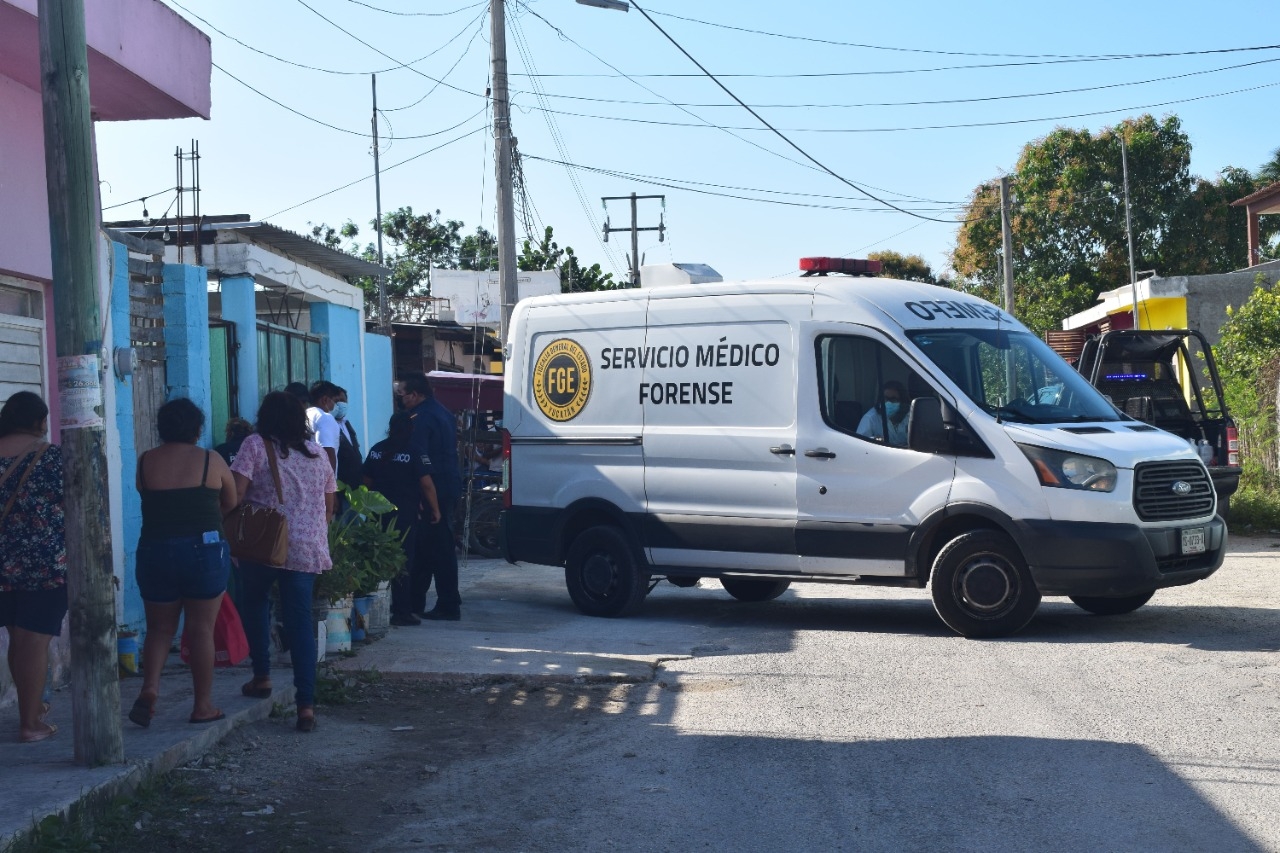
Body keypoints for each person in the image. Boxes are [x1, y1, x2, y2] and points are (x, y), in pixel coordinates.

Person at [231, 392, 337, 733]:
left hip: (264, 546)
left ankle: (261, 676)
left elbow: (235, 494)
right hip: (306, 549)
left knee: (256, 603)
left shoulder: (254, 445)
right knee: (299, 622)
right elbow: (330, 506)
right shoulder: (318, 453)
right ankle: (305, 706)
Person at [129, 398, 238, 728]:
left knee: (159, 629)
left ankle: (149, 690)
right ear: (197, 428)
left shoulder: (146, 461)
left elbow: (143, 493)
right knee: (200, 629)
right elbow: (230, 502)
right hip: (203, 551)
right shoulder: (211, 460)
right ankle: (202, 705)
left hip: (155, 550)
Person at [0, 392, 64, 744]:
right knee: (34, 641)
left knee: (17, 636)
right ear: (40, 421)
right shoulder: (53, 457)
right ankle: (29, 723)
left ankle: (33, 707)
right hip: (45, 564)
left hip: (3, 565)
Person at [363, 412, 442, 627]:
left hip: (378, 515)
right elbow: (427, 484)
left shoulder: (377, 449)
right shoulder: (414, 451)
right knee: (403, 562)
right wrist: (435, 509)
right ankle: (401, 611)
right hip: (404, 518)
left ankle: (370, 610)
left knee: (375, 560)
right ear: (411, 429)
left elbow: (366, 482)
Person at [399, 373, 463, 621]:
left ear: (415, 395)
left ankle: (447, 603)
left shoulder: (420, 419)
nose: (401, 400)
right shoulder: (444, 412)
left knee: (440, 549)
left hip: (434, 490)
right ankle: (418, 601)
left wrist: (421, 498)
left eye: (402, 395)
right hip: (449, 485)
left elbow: (419, 461)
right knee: (429, 547)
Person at [857, 380, 910, 447]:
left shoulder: (911, 416)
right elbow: (859, 444)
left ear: (902, 400)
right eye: (885, 399)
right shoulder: (871, 418)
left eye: (893, 399)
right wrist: (875, 440)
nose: (888, 403)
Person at [305, 380, 341, 472]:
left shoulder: (305, 414)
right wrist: (330, 483)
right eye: (335, 401)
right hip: (321, 479)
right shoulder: (325, 418)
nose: (336, 406)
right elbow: (327, 452)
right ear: (325, 399)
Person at [332, 386, 363, 489]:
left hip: (354, 484)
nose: (340, 404)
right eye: (337, 401)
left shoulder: (346, 423)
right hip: (340, 484)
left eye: (343, 400)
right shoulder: (329, 425)